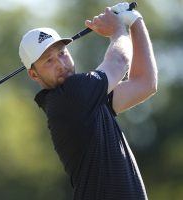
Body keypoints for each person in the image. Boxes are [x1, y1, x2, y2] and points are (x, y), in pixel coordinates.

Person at [19, 2, 157, 200]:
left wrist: (135, 21)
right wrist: (117, 29)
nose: (60, 64)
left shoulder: (87, 100)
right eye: (48, 61)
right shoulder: (70, 97)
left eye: (62, 54)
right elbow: (119, 61)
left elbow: (145, 83)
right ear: (34, 75)